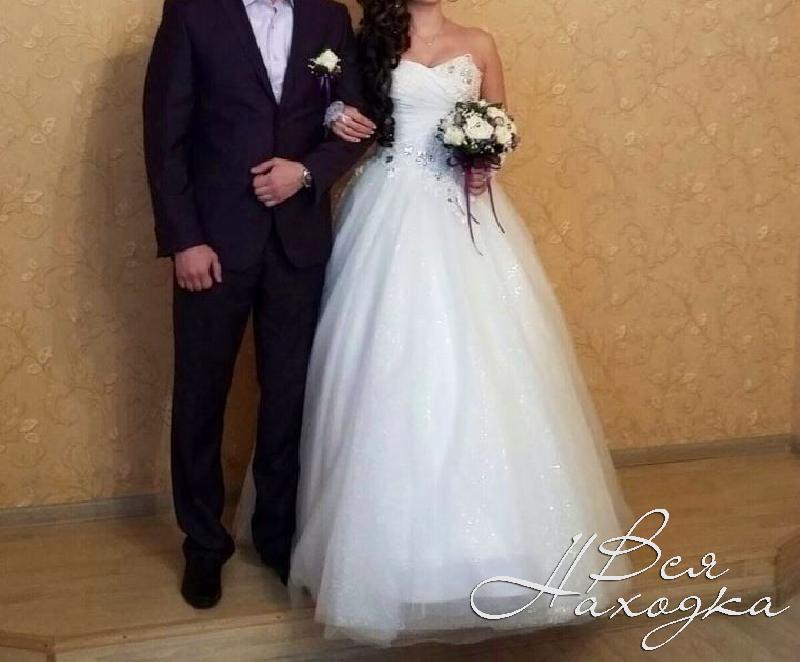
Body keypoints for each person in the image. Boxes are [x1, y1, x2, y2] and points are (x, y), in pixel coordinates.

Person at [234, 0, 634, 646]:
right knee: (385, 370)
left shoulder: (480, 42)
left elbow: (501, 125)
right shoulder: (367, 41)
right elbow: (335, 109)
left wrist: (486, 160)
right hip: (388, 208)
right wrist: (336, 117)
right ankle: (379, 562)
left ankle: (502, 554)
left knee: (488, 372)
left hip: (463, 214)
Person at [143, 0, 373, 609]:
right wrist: (185, 240)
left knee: (289, 396)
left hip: (298, 243)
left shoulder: (329, 18)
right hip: (213, 243)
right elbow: (164, 138)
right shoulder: (192, 13)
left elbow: (353, 119)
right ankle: (203, 545)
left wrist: (307, 172)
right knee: (201, 395)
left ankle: (276, 535)